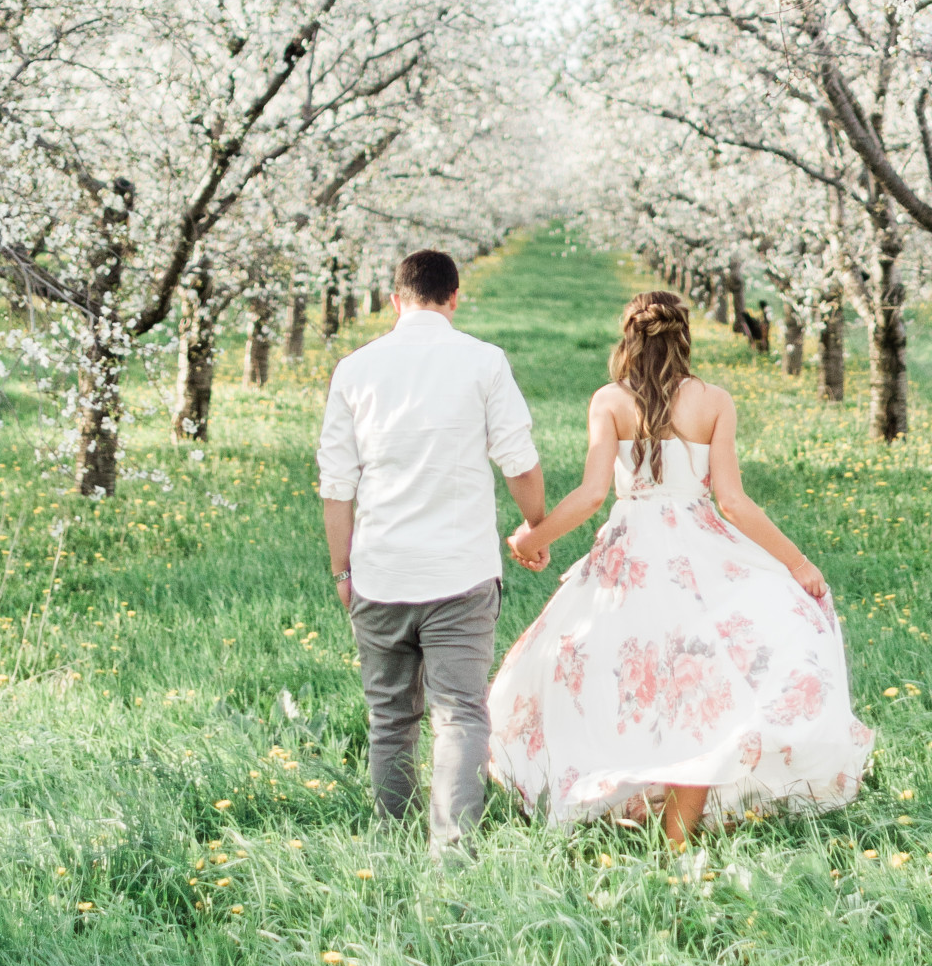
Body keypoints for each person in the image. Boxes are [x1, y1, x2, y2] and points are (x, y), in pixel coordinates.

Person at [489, 287, 872, 846]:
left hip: (631, 556)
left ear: (628, 338)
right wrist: (798, 564)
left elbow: (593, 494)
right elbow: (734, 503)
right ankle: (675, 833)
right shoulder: (715, 400)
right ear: (685, 336)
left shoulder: (609, 401)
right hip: (699, 551)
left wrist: (532, 538)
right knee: (703, 684)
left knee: (613, 672)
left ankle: (628, 798)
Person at [317, 246, 547, 851]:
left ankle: (391, 845)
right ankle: (452, 852)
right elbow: (518, 459)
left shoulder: (355, 369)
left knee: (391, 721)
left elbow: (337, 486)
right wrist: (535, 528)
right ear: (454, 299)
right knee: (461, 715)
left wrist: (342, 571)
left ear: (396, 300)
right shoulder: (484, 361)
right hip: (461, 572)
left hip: (380, 573)